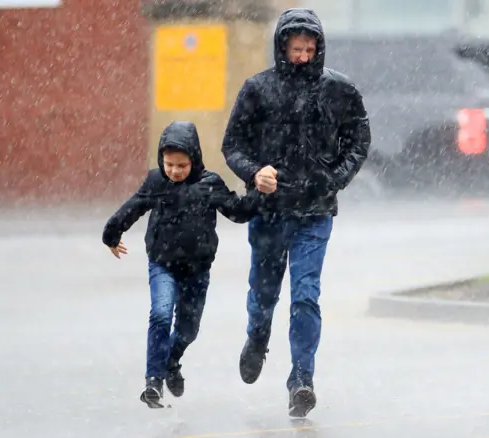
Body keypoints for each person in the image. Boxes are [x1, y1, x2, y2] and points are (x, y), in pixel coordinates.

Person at [221, 8, 371, 418]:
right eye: (295, 48)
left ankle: (301, 379)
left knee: (306, 296)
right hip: (268, 212)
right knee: (264, 294)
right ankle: (257, 335)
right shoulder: (257, 90)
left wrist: (334, 178)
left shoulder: (339, 90)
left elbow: (359, 140)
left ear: (319, 48)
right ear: (281, 47)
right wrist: (255, 172)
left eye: (309, 48)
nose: (303, 56)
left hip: (315, 213)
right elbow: (232, 145)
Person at [102, 120, 257, 409]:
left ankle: (171, 361)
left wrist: (257, 191)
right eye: (169, 164)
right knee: (161, 314)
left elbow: (237, 212)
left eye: (181, 166)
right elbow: (132, 207)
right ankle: (153, 381)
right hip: (162, 263)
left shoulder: (210, 184)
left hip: (197, 271)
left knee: (188, 330)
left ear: (194, 160)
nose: (174, 171)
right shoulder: (156, 182)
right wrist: (112, 233)